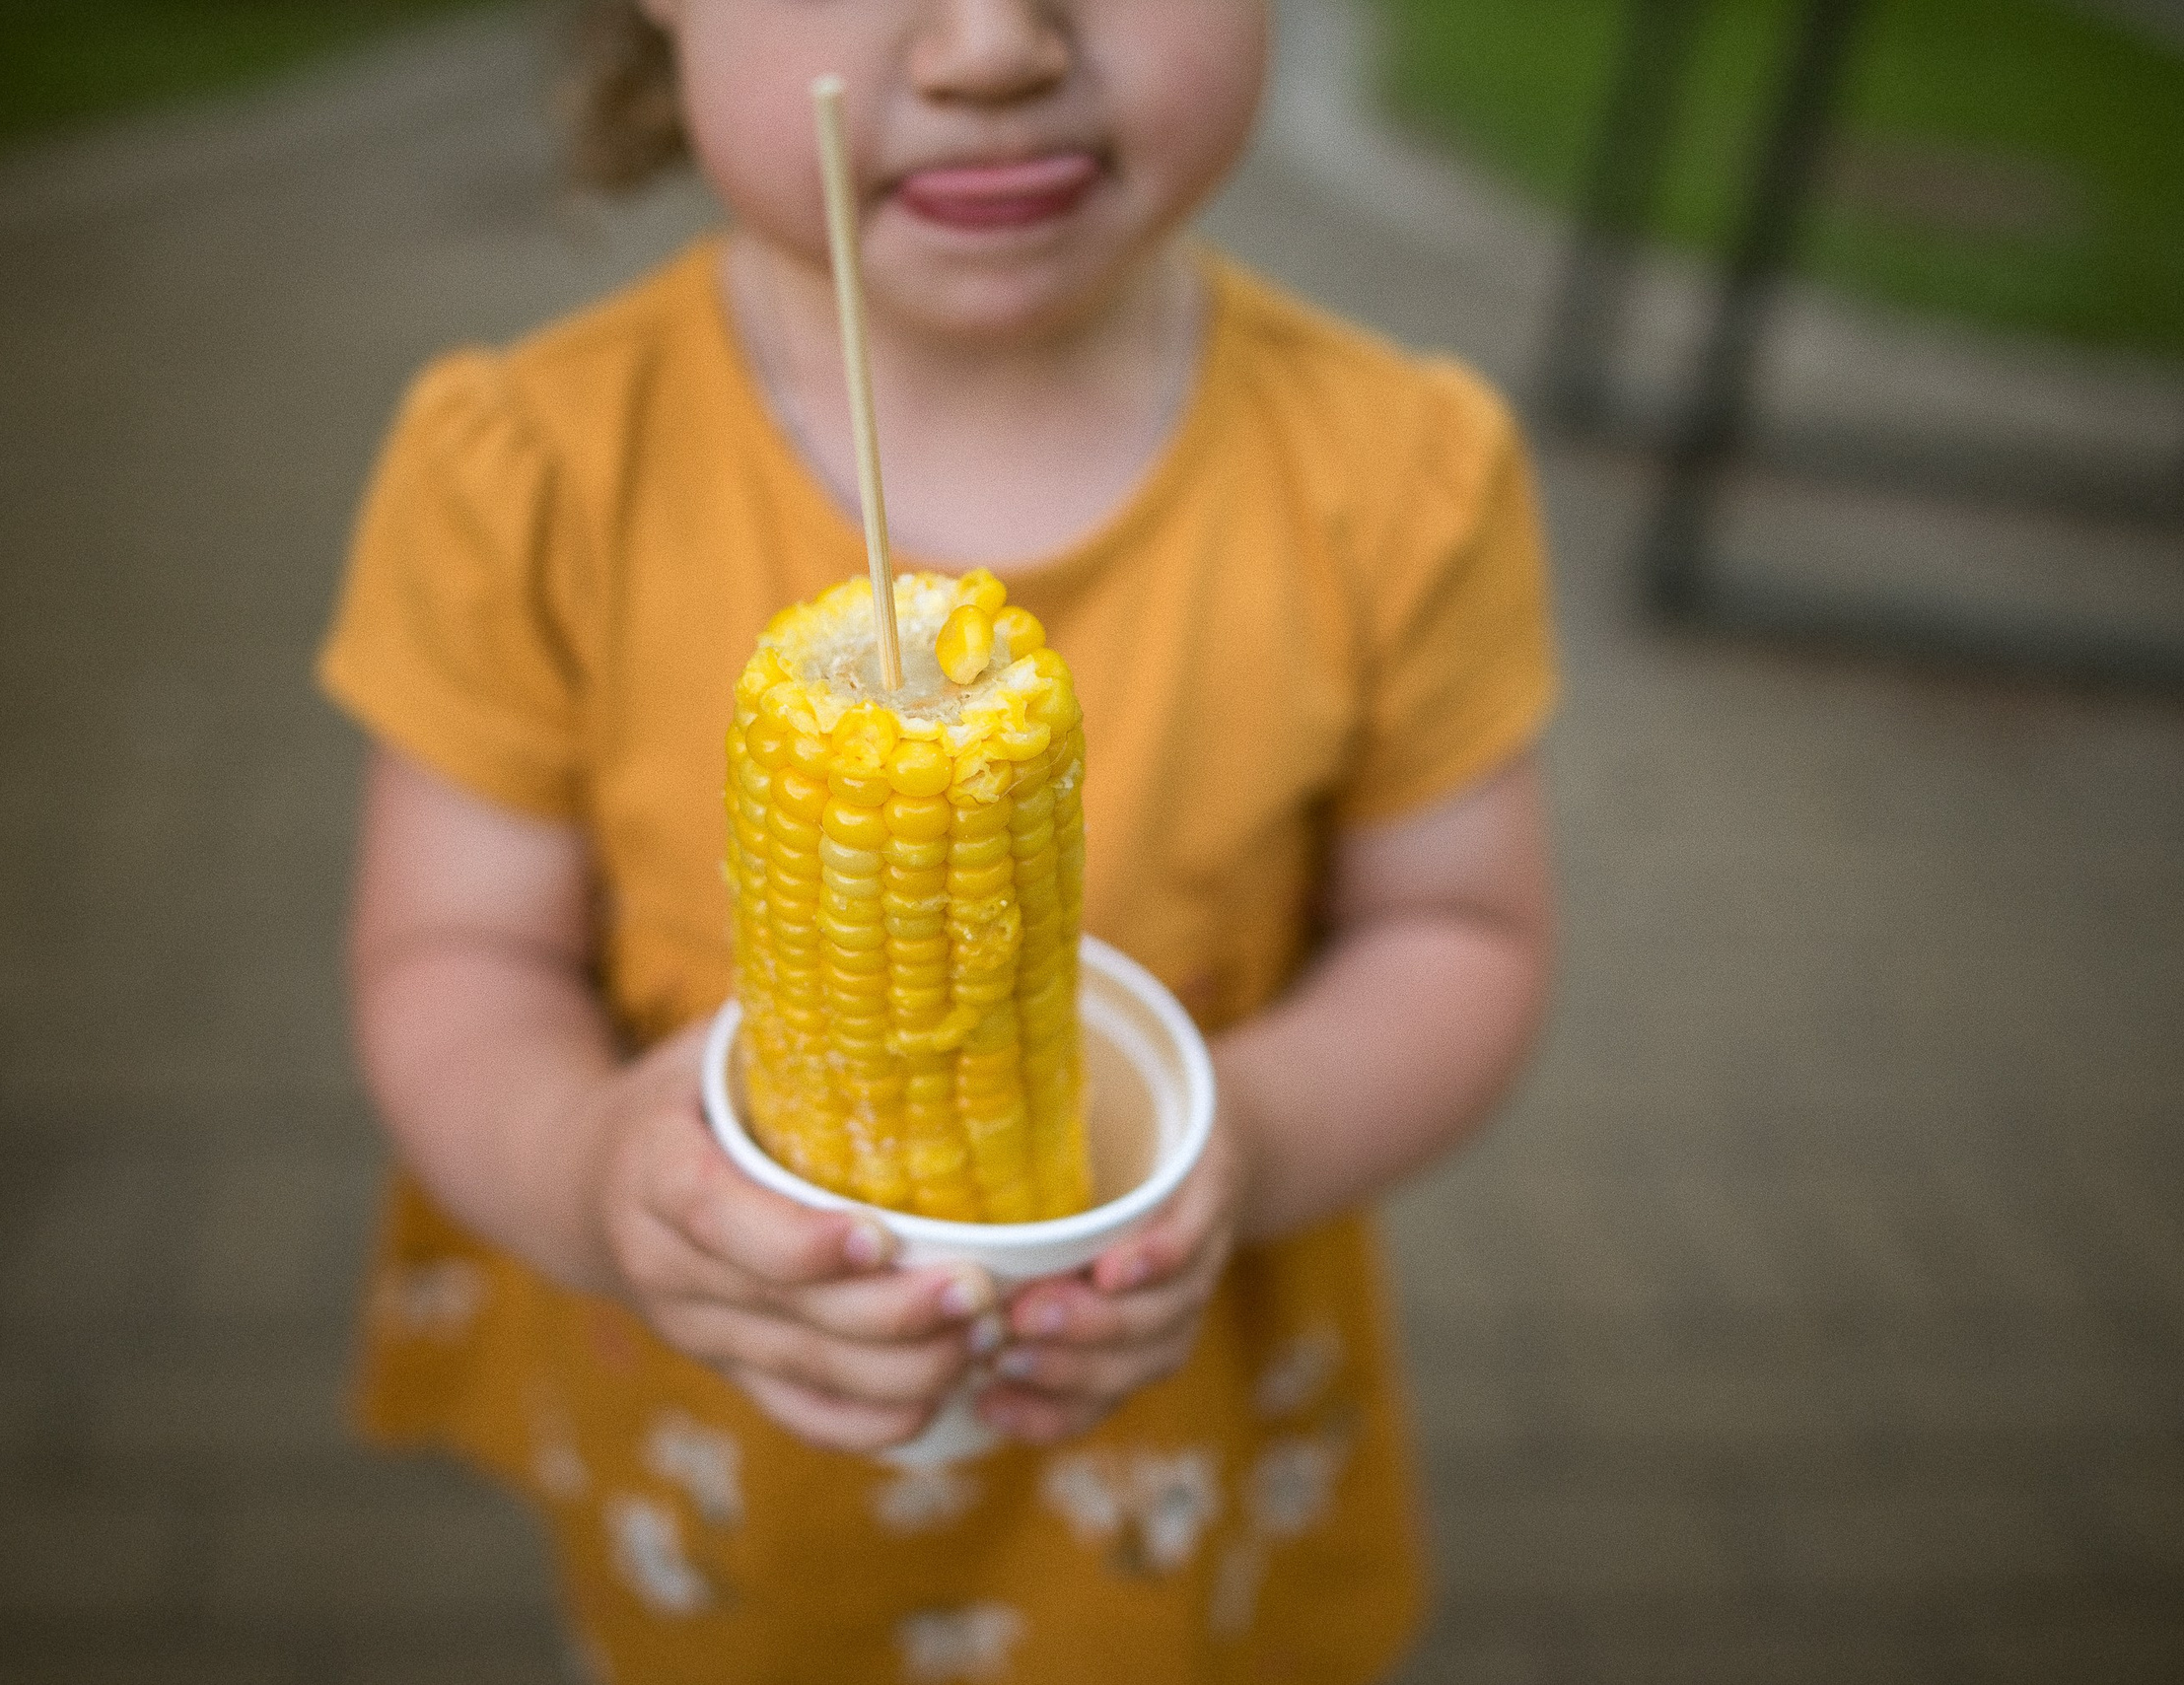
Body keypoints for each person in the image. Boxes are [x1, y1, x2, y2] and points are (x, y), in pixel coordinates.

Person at [318, 1, 1556, 1679]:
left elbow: (1462, 933)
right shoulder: (524, 472)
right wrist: (585, 1174)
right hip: (723, 1513)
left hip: (1187, 1493)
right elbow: (451, 954)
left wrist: (1254, 1127)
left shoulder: (1401, 475)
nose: (993, 44)